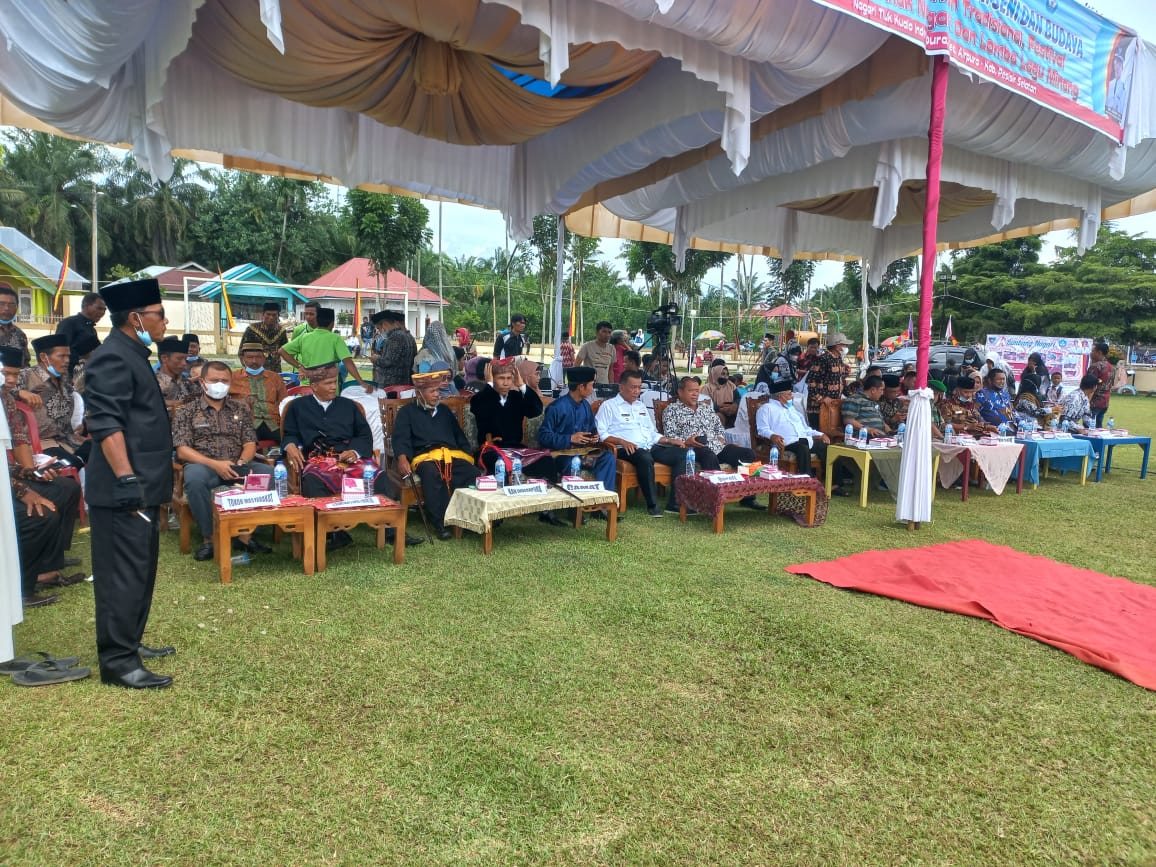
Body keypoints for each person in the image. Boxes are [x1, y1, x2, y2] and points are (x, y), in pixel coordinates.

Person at [84, 278, 176, 689]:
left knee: (140, 570)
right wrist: (126, 477)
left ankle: (131, 642)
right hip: (125, 488)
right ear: (136, 318)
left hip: (143, 485)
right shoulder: (112, 357)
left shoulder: (133, 352)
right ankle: (118, 662)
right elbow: (105, 423)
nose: (164, 321)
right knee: (122, 574)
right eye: (158, 315)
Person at [280, 364, 419, 550]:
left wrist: (354, 451)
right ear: (314, 386)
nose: (333, 387)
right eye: (328, 383)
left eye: (334, 383)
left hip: (351, 457)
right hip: (318, 459)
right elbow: (289, 433)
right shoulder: (297, 406)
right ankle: (333, 533)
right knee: (313, 480)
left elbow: (364, 435)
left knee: (379, 476)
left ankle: (390, 531)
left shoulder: (348, 406)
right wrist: (290, 445)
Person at [172, 360, 273, 561]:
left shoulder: (240, 409)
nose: (220, 385)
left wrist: (243, 461)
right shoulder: (186, 411)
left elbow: (250, 442)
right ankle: (210, 538)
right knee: (194, 478)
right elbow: (182, 450)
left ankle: (245, 535)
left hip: (237, 465)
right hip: (204, 466)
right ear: (202, 382)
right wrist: (215, 465)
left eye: (224, 381)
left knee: (267, 474)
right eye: (214, 380)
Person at [469, 359, 565, 526]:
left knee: (547, 461)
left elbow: (535, 410)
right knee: (499, 465)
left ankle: (546, 511)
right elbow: (481, 409)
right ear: (491, 378)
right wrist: (490, 385)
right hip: (491, 449)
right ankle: (497, 513)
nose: (506, 383)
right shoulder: (481, 398)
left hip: (516, 449)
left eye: (509, 378)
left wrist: (521, 385)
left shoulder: (516, 397)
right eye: (501, 378)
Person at [391, 370, 480, 540]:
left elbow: (459, 437)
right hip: (425, 457)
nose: (436, 395)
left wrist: (468, 457)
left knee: (472, 474)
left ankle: (468, 518)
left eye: (438, 391)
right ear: (419, 394)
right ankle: (441, 523)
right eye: (432, 391)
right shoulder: (407, 412)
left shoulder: (445, 412)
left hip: (451, 455)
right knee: (432, 475)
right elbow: (401, 438)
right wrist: (402, 457)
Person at [596, 370, 689, 517]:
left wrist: (669, 440)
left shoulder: (640, 406)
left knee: (682, 454)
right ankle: (652, 505)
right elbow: (602, 435)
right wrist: (621, 441)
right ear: (621, 387)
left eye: (639, 387)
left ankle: (675, 503)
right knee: (645, 458)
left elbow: (651, 433)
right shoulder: (609, 406)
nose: (637, 391)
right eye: (633, 387)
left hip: (649, 446)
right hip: (624, 448)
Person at [662, 376, 761, 509]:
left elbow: (718, 427)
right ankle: (714, 499)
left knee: (747, 454)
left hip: (717, 445)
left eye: (697, 391)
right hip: (692, 448)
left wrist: (720, 437)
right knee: (709, 455)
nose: (695, 394)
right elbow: (670, 435)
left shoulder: (706, 408)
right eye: (691, 391)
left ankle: (748, 498)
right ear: (680, 392)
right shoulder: (671, 410)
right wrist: (687, 441)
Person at [537, 366, 618, 513]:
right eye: (591, 384)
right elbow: (543, 436)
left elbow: (592, 429)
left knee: (608, 458)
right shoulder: (557, 407)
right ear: (581, 387)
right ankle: (574, 509)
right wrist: (569, 438)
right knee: (571, 462)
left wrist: (594, 437)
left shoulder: (586, 406)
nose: (593, 389)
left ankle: (603, 506)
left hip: (583, 453)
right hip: (562, 454)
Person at [18, 334, 91, 467]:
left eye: (68, 356)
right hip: (40, 443)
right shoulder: (26, 376)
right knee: (70, 464)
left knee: (101, 451)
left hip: (67, 440)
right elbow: (4, 390)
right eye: (61, 356)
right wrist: (20, 392)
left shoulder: (64, 380)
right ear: (44, 357)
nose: (67, 360)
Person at [756, 377, 833, 485]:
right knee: (802, 447)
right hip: (786, 442)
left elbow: (806, 429)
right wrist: (773, 435)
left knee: (828, 448)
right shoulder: (766, 408)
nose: (791, 396)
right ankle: (807, 482)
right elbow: (762, 429)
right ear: (780, 396)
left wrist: (821, 434)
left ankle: (834, 483)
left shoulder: (792, 409)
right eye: (789, 394)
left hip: (804, 439)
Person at [281, 307, 373, 391]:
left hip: (307, 387)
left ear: (317, 321)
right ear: (332, 323)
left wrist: (300, 367)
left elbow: (282, 351)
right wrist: (362, 383)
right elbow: (347, 362)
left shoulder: (304, 337)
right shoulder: (335, 339)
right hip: (329, 388)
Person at [230, 342, 288, 442]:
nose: (254, 361)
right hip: (246, 424)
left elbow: (284, 402)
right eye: (249, 357)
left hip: (273, 423)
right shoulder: (233, 377)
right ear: (242, 359)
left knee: (289, 442)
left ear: (264, 359)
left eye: (258, 357)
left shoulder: (275, 378)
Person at [806, 332, 851, 428]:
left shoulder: (838, 359)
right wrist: (822, 398)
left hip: (833, 405)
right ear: (837, 346)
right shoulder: (823, 359)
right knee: (819, 435)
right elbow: (810, 381)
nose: (846, 347)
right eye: (844, 345)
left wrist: (851, 396)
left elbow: (842, 380)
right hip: (818, 408)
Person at [55, 291, 105, 372]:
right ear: (86, 306)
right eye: (99, 308)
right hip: (69, 375)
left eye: (104, 310)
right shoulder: (69, 323)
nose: (102, 312)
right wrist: (82, 357)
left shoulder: (91, 328)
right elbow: (60, 350)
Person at [939, 372, 995, 436]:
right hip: (959, 437)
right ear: (957, 390)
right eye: (965, 392)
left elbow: (980, 419)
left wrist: (987, 426)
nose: (968, 395)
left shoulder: (970, 405)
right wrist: (967, 427)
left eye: (971, 392)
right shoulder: (947, 404)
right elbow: (945, 425)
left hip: (976, 436)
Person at [372, 310, 417, 389]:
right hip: (406, 382)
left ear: (384, 324)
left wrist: (376, 359)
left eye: (379, 328)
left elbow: (387, 361)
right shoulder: (409, 337)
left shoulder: (395, 337)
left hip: (392, 385)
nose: (379, 331)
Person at [240, 302, 289, 372]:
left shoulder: (281, 331)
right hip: (255, 368)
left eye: (274, 315)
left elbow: (285, 350)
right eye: (268, 314)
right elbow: (242, 352)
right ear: (263, 314)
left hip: (275, 369)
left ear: (278, 316)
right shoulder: (252, 329)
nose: (271, 317)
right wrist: (248, 367)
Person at [156, 337, 198, 410]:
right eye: (179, 359)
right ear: (164, 358)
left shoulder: (186, 382)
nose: (184, 363)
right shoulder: (152, 383)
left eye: (185, 359)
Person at [0, 283, 30, 367]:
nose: (6, 308)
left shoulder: (20, 334)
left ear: (17, 307)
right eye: (2, 304)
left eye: (11, 304)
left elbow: (25, 363)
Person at [704, 359, 740, 427]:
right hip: (715, 412)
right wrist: (719, 409)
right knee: (719, 417)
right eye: (723, 374)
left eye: (727, 374)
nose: (725, 377)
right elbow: (705, 403)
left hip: (731, 412)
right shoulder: (707, 387)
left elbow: (738, 398)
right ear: (716, 374)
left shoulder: (731, 385)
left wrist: (734, 405)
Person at [1087, 341, 1112, 427]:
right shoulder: (1111, 367)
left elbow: (1090, 385)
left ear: (1099, 352)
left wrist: (1086, 401)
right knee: (1098, 426)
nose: (1091, 353)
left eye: (1093, 351)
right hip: (1105, 402)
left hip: (1093, 401)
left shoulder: (1095, 366)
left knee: (1089, 427)